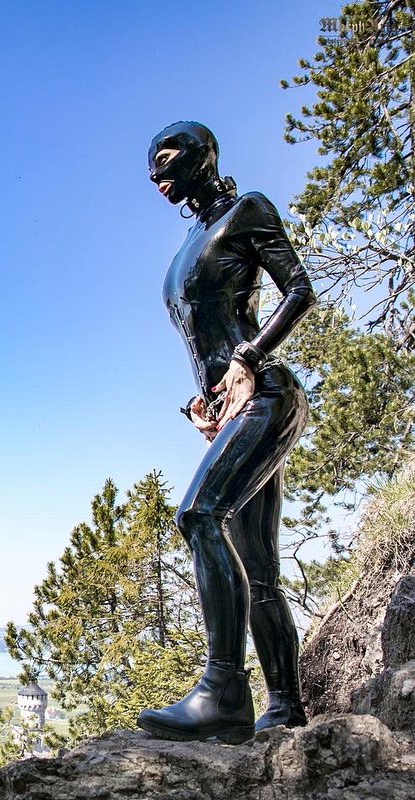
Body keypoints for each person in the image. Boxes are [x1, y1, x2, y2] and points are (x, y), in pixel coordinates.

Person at [136, 121, 315, 744]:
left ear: (203, 156)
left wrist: (247, 359)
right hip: (230, 409)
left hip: (267, 394)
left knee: (197, 515)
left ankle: (222, 690)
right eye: (151, 167)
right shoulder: (189, 243)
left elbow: (300, 290)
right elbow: (205, 339)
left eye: (167, 159)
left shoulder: (246, 211)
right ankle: (286, 706)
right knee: (257, 561)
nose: (157, 175)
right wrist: (203, 396)